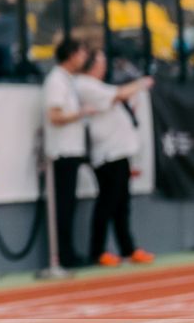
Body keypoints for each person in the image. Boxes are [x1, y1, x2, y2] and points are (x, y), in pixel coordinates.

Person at [75, 51, 154, 267]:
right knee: (107, 202)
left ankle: (127, 248)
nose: (104, 66)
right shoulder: (85, 85)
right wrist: (140, 83)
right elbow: (119, 94)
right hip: (106, 153)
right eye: (100, 62)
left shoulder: (98, 85)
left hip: (119, 151)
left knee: (121, 204)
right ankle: (98, 251)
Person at [42, 34, 95, 271]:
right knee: (63, 206)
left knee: (69, 205)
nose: (84, 58)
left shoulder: (68, 80)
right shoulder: (56, 81)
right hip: (61, 152)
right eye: (81, 53)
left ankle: (68, 252)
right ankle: (63, 255)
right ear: (71, 55)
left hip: (72, 150)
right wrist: (81, 113)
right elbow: (54, 115)